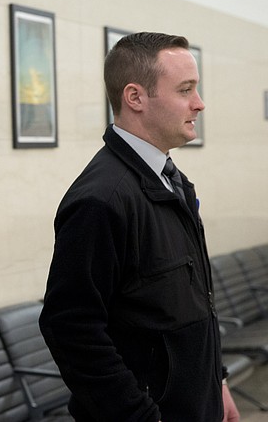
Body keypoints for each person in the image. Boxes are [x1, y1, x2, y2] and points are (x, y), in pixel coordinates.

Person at [39, 32, 239, 422]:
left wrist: (217, 380)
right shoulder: (102, 200)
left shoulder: (172, 180)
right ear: (135, 98)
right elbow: (71, 329)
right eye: (185, 90)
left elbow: (189, 300)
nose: (199, 103)